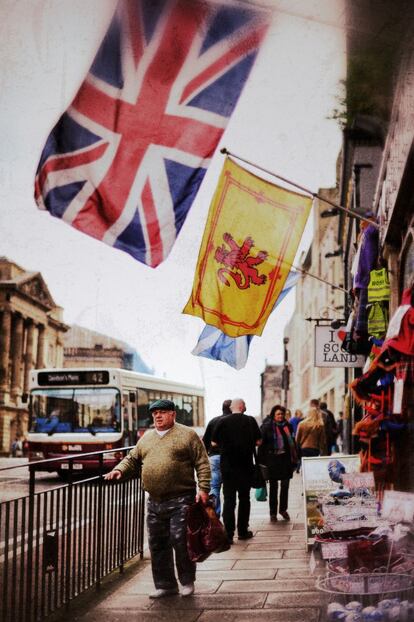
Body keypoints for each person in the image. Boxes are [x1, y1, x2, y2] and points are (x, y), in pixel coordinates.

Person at [104, 399, 211, 599]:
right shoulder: (147, 437)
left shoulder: (187, 434)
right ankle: (166, 585)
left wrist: (204, 488)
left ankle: (187, 581)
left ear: (173, 414)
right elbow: (133, 459)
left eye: (162, 412)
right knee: (157, 543)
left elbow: (202, 463)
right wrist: (119, 470)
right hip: (154, 501)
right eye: (155, 413)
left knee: (180, 540)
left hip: (181, 499)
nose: (158, 416)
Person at [211, 398, 261, 544]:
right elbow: (259, 441)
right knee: (244, 499)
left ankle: (229, 534)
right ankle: (243, 532)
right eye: (244, 405)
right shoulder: (250, 421)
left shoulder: (223, 422)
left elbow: (214, 442)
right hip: (245, 466)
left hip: (228, 467)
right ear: (241, 406)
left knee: (229, 500)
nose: (245, 407)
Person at [259, 405, 297, 522]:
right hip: (272, 460)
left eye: (281, 414)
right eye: (278, 414)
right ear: (273, 415)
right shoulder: (266, 427)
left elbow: (292, 442)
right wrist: (261, 463)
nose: (280, 416)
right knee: (274, 488)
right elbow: (261, 446)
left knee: (285, 486)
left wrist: (295, 458)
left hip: (285, 460)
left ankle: (283, 509)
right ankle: (273, 513)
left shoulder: (288, 426)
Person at [202, 399, 232, 517]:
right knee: (229, 490)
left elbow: (205, 442)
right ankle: (228, 517)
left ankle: (215, 516)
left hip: (214, 458)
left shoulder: (213, 421)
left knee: (214, 488)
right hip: (230, 458)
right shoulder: (234, 421)